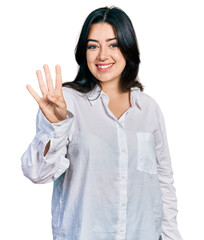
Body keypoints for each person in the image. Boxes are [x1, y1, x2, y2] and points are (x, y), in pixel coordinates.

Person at [21, 6, 183, 240]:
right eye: (93, 46)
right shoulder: (65, 103)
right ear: (83, 52)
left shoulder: (148, 109)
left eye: (113, 44)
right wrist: (57, 126)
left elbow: (163, 184)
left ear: (128, 48)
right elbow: (37, 173)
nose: (103, 55)